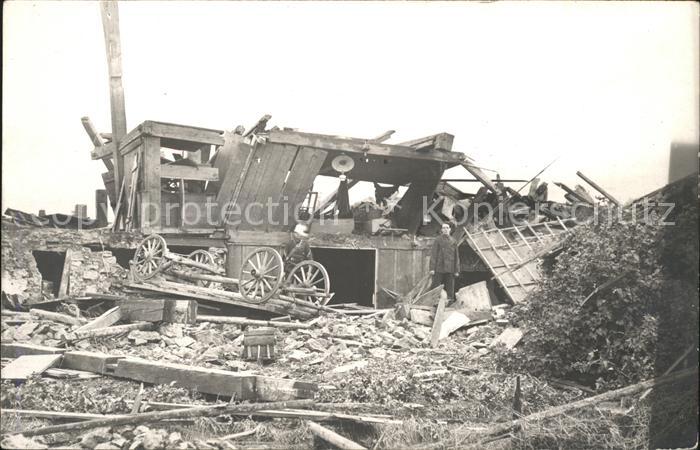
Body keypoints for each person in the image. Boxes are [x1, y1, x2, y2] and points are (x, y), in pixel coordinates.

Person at [429, 223, 460, 301]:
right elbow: (433, 254)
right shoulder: (438, 240)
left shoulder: (453, 241)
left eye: (447, 228)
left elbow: (456, 256)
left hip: (450, 268)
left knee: (450, 286)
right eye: (443, 228)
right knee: (435, 285)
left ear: (450, 229)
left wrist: (456, 270)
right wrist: (432, 268)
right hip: (439, 267)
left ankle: (449, 301)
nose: (445, 229)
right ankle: (433, 300)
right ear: (441, 230)